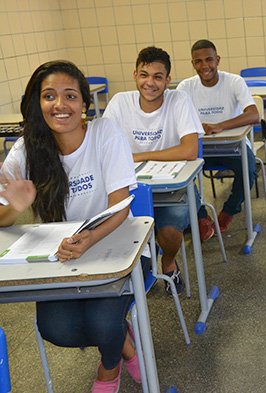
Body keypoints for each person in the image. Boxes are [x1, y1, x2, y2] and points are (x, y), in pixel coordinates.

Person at [0, 60, 147, 392]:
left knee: (102, 322)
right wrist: (14, 208)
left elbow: (120, 207)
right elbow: (1, 216)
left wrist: (89, 238)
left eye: (70, 96)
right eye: (49, 96)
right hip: (61, 257)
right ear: (38, 103)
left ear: (84, 103)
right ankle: (124, 343)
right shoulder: (27, 149)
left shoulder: (105, 133)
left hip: (118, 244)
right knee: (58, 330)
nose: (60, 105)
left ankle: (109, 369)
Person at [104, 46, 206, 295]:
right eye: (143, 75)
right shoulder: (120, 102)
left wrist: (138, 156)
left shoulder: (178, 100)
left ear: (168, 80)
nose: (150, 82)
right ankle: (132, 274)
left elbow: (190, 150)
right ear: (135, 75)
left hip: (175, 188)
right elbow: (102, 145)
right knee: (116, 230)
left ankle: (168, 261)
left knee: (170, 234)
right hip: (131, 189)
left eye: (158, 77)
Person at [176, 39, 258, 234]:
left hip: (232, 145)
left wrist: (219, 126)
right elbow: (173, 117)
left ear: (217, 60)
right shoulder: (186, 86)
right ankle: (201, 216)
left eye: (209, 60)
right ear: (193, 64)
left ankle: (228, 211)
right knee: (179, 175)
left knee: (249, 170)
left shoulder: (234, 81)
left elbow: (254, 114)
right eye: (198, 61)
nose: (204, 66)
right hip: (199, 147)